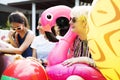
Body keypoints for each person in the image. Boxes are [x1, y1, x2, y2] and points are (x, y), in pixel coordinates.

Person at [62, 6, 105, 80]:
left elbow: (107, 67)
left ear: (85, 22)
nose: (70, 22)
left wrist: (84, 60)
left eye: (74, 20)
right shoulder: (74, 40)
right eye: (70, 19)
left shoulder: (100, 40)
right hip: (78, 74)